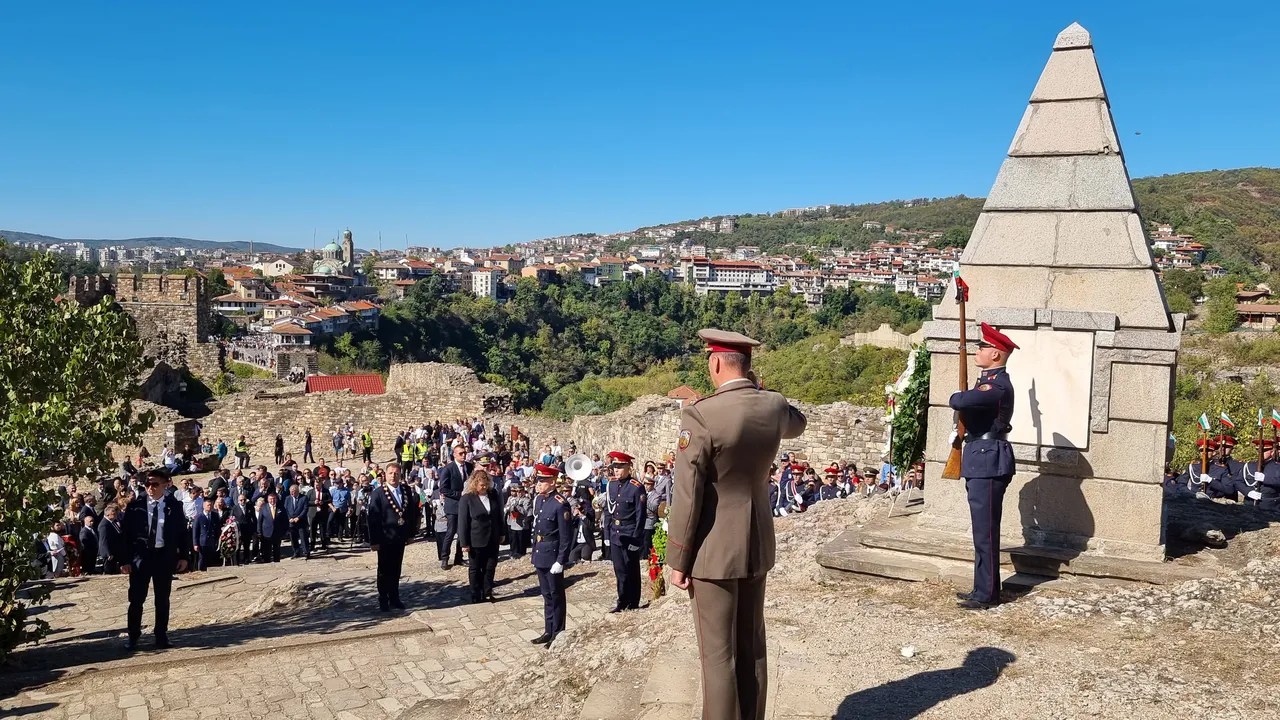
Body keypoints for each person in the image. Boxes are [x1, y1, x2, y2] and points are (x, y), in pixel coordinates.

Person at [667, 329, 807, 720]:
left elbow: (689, 495)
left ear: (714, 362)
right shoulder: (774, 406)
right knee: (752, 647)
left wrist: (678, 556)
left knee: (718, 657)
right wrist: (763, 392)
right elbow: (799, 423)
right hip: (757, 540)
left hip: (712, 549)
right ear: (748, 365)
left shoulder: (700, 414)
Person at [948, 322, 1018, 611]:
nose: (978, 350)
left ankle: (988, 594)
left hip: (989, 459)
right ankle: (982, 587)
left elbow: (957, 400)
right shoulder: (987, 382)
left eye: (984, 347)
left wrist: (960, 399)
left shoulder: (997, 385)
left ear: (997, 355)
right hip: (980, 457)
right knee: (981, 531)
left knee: (986, 532)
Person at [122, 468, 191, 650]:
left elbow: (182, 533)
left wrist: (183, 556)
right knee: (136, 599)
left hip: (163, 557)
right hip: (141, 558)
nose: (150, 488)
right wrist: (125, 560)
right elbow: (126, 535)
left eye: (154, 484)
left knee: (162, 599)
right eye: (147, 484)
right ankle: (133, 636)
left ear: (165, 484)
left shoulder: (174, 506)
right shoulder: (135, 506)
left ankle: (161, 635)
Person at [368, 462, 422, 612]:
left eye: (396, 473)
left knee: (396, 568)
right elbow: (373, 518)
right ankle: (383, 598)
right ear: (385, 475)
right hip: (385, 538)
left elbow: (411, 513)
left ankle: (394, 596)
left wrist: (411, 534)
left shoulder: (405, 490)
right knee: (384, 569)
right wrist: (374, 541)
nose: (393, 476)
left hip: (399, 537)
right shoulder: (378, 493)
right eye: (391, 473)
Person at [530, 464, 572, 646]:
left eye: (542, 480)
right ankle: (548, 630)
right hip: (541, 552)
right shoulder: (540, 500)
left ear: (552, 482)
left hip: (552, 555)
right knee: (546, 595)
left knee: (556, 595)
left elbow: (565, 536)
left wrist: (561, 560)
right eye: (538, 480)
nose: (538, 483)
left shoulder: (560, 503)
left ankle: (558, 631)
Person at [605, 451, 646, 612]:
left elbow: (640, 516)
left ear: (629, 467)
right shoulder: (612, 485)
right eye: (615, 467)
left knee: (631, 569)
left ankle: (633, 601)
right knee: (619, 570)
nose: (617, 470)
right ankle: (622, 600)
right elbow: (609, 511)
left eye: (620, 467)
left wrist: (637, 540)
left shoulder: (636, 488)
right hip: (615, 534)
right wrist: (607, 534)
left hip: (629, 534)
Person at [458, 467, 505, 603]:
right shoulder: (467, 499)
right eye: (481, 485)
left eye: (486, 484)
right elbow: (463, 522)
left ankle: (487, 592)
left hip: (493, 537)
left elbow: (498, 515)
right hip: (476, 539)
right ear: (475, 484)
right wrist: (464, 543)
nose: (484, 487)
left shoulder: (493, 494)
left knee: (490, 566)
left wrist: (502, 532)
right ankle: (475, 594)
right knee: (475, 568)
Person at [436, 444, 470, 570]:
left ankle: (459, 557)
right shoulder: (448, 469)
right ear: (454, 454)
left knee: (462, 532)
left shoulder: (468, 466)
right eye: (460, 453)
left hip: (465, 505)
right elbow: (443, 489)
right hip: (453, 505)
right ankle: (445, 557)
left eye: (464, 453)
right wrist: (458, 494)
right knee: (450, 532)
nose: (463, 455)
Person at [192, 498, 221, 570]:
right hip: (202, 542)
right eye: (208, 505)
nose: (210, 506)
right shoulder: (199, 517)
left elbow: (217, 529)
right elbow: (195, 531)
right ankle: (200, 572)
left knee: (211, 558)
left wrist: (218, 540)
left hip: (212, 541)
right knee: (202, 558)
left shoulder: (215, 515)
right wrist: (195, 544)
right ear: (204, 506)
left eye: (211, 505)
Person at [284, 483, 311, 559]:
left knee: (303, 537)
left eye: (294, 491)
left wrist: (299, 517)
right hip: (291, 522)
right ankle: (296, 552)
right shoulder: (287, 498)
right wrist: (289, 518)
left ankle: (306, 552)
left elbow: (305, 509)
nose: (292, 493)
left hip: (301, 521)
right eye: (291, 491)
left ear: (298, 491)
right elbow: (286, 509)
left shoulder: (304, 498)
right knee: (293, 538)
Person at [99, 504, 126, 574]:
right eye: (113, 514)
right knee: (109, 571)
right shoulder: (104, 525)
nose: (116, 516)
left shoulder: (112, 522)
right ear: (108, 515)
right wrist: (108, 553)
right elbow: (103, 540)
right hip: (109, 553)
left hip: (115, 551)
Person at [258, 493, 283, 563]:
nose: (272, 500)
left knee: (277, 550)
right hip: (266, 533)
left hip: (277, 532)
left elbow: (284, 520)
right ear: (268, 500)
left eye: (274, 499)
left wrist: (284, 531)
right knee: (267, 550)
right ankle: (267, 563)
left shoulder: (280, 507)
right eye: (270, 499)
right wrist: (259, 531)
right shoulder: (263, 508)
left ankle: (277, 563)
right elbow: (260, 520)